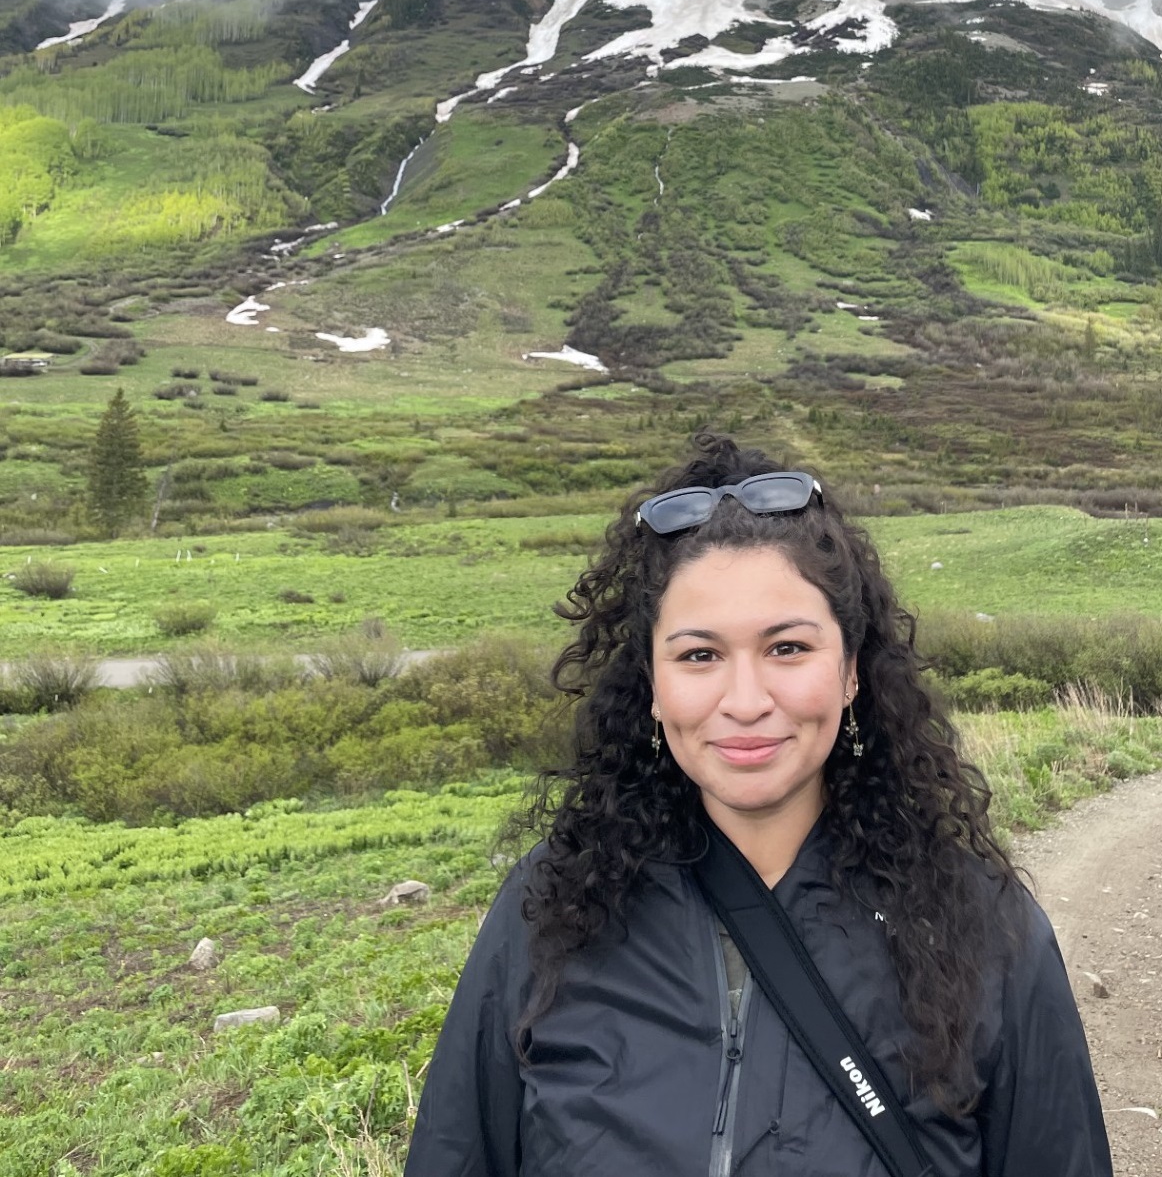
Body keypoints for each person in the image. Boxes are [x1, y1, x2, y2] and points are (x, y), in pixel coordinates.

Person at [404, 434, 1113, 1176]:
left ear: (850, 672)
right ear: (651, 683)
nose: (745, 703)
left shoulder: (981, 929)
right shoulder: (550, 912)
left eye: (787, 649)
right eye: (699, 655)